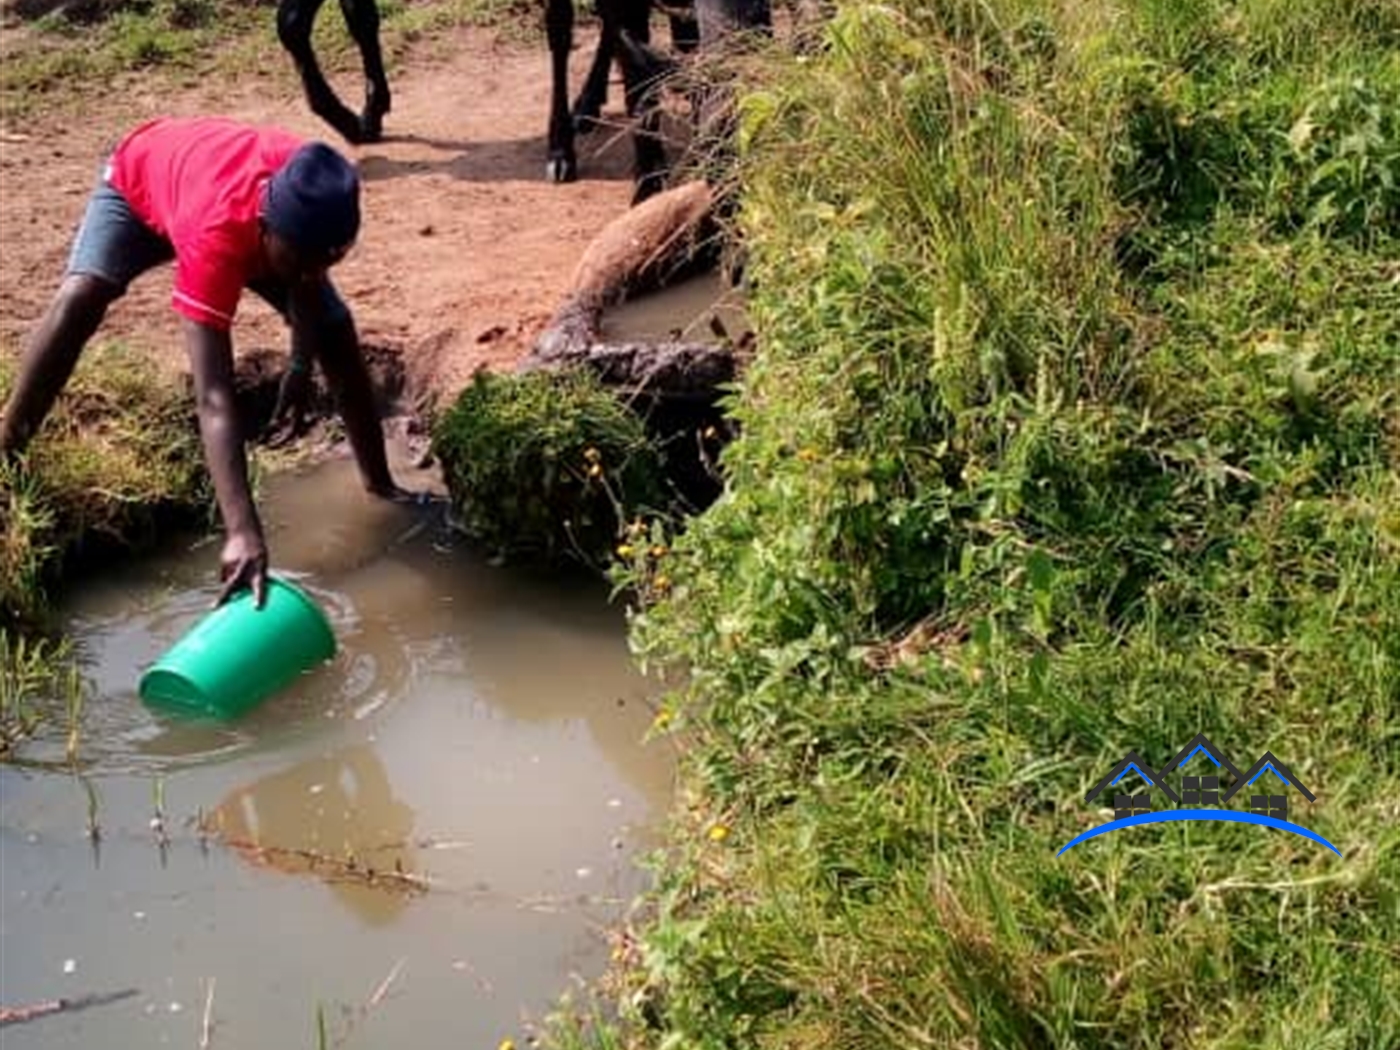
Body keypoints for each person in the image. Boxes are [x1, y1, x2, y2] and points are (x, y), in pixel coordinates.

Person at [0, 116, 420, 609]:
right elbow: (214, 398)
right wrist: (242, 531)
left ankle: (380, 484)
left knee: (336, 330)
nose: (310, 275)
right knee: (82, 295)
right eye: (300, 261)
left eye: (325, 263)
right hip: (139, 182)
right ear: (267, 228)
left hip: (229, 207)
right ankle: (8, 443)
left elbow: (306, 280)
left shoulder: (313, 186)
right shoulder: (217, 235)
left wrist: (301, 367)